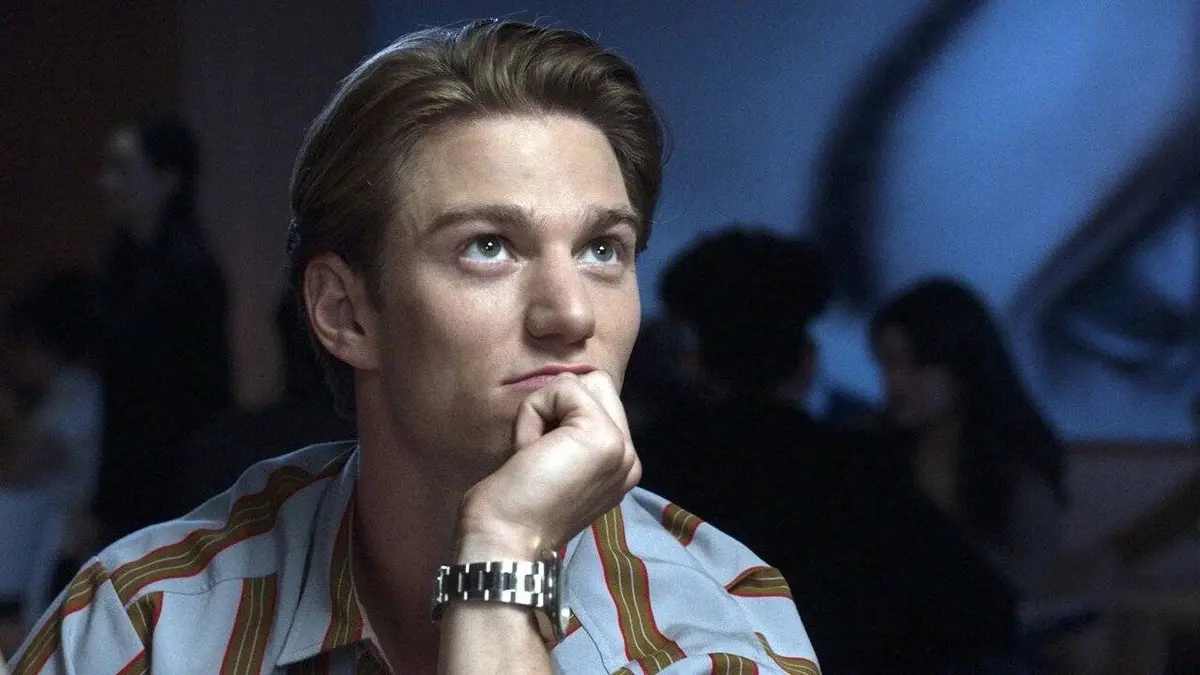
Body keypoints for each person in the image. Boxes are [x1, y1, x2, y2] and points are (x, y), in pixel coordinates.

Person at [10, 21, 820, 675]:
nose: (571, 313)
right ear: (344, 312)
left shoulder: (713, 622)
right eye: (489, 246)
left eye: (603, 249)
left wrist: (503, 553)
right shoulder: (145, 624)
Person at [638, 229, 1017, 673]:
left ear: (695, 361)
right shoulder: (859, 470)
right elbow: (982, 612)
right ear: (807, 359)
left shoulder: (642, 467)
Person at [870, 277, 1069, 597]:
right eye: (889, 362)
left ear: (963, 363)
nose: (896, 382)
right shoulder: (870, 447)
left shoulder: (1017, 465)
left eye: (917, 364)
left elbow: (1026, 582)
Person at [91, 111, 233, 545]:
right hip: (132, 486)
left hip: (173, 489)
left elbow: (192, 401)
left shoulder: (189, 273)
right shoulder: (122, 267)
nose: (106, 182)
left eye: (122, 168)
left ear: (167, 178)